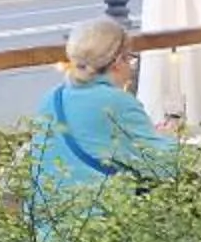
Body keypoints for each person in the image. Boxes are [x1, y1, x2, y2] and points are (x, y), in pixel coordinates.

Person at [33, 16, 177, 200]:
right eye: (129, 58)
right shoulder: (117, 102)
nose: (131, 68)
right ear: (117, 62)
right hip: (98, 213)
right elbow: (165, 165)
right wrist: (170, 138)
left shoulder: (51, 97)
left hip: (46, 212)